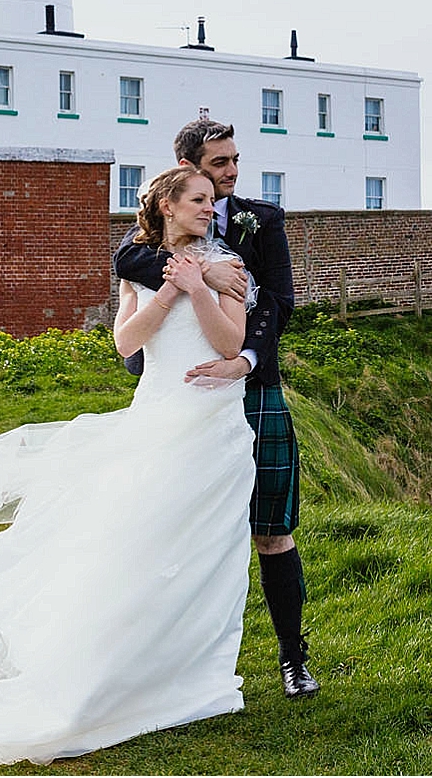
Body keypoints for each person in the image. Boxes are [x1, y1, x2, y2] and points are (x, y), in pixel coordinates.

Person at [0, 166, 258, 770]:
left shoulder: (227, 267)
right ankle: (115, 674)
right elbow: (128, 344)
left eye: (212, 199)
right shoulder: (140, 266)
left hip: (217, 429)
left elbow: (231, 347)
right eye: (200, 199)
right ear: (169, 207)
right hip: (160, 421)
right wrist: (175, 289)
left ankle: (192, 675)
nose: (212, 206)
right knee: (140, 547)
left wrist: (202, 287)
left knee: (208, 557)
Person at [114, 118, 320, 698]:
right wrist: (202, 271)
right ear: (186, 170)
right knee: (174, 529)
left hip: (254, 385)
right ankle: (166, 662)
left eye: (234, 161)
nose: (230, 173)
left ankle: (292, 658)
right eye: (217, 164)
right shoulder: (152, 237)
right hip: (184, 391)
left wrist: (247, 359)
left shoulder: (263, 220)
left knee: (273, 529)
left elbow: (279, 301)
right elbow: (130, 264)